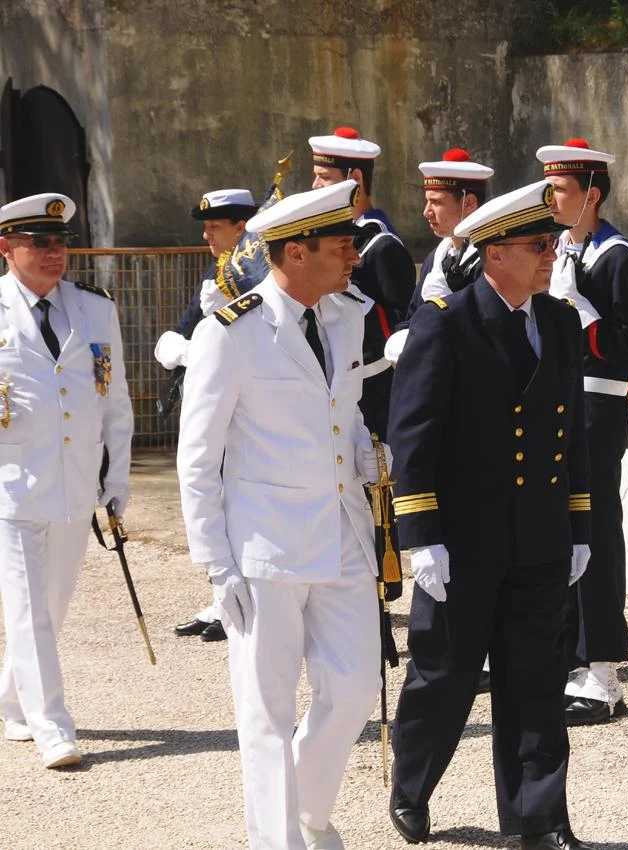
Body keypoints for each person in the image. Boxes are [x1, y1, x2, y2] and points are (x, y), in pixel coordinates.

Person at [177, 180, 385, 850]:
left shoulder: (345, 315)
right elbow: (198, 459)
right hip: (263, 549)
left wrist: (364, 450)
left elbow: (343, 409)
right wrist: (217, 565)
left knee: (354, 688)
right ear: (297, 252)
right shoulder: (229, 334)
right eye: (342, 244)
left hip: (343, 533)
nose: (354, 255)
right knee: (265, 712)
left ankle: (307, 813)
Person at [386, 181, 593, 850]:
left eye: (553, 243)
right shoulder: (446, 322)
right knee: (444, 677)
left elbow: (573, 434)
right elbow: (412, 437)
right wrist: (421, 536)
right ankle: (411, 785)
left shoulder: (559, 321)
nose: (551, 255)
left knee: (536, 682)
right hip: (464, 541)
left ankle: (539, 818)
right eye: (539, 245)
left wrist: (579, 526)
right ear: (495, 253)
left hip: (539, 534)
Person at [0, 193, 133, 769]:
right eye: (40, 243)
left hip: (77, 482)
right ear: (7, 249)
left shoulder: (94, 309)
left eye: (60, 242)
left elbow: (115, 401)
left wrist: (118, 476)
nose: (55, 252)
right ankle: (53, 725)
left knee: (51, 606)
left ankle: (12, 701)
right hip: (12, 485)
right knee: (29, 608)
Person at [535, 137, 628, 725]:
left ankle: (602, 670)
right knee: (559, 533)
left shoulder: (618, 259)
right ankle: (567, 659)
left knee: (596, 531)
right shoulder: (555, 251)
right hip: (557, 405)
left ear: (592, 195)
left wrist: (581, 313)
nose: (550, 199)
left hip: (598, 407)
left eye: (560, 190)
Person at [157, 188, 256, 643]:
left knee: (237, 501)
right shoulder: (215, 272)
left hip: (245, 408)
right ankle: (223, 597)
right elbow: (184, 327)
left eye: (215, 226)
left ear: (242, 229)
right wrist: (182, 348)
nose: (206, 235)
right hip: (212, 401)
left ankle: (237, 597)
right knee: (212, 498)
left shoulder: (257, 277)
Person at [309, 125, 416, 438]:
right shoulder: (338, 237)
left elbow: (403, 325)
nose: (315, 185)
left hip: (374, 394)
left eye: (324, 177)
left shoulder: (381, 246)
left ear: (355, 178)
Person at [383, 148, 492, 367]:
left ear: (469, 203)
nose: (426, 212)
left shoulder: (490, 262)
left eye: (437, 202)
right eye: (427, 201)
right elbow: (412, 317)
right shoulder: (436, 257)